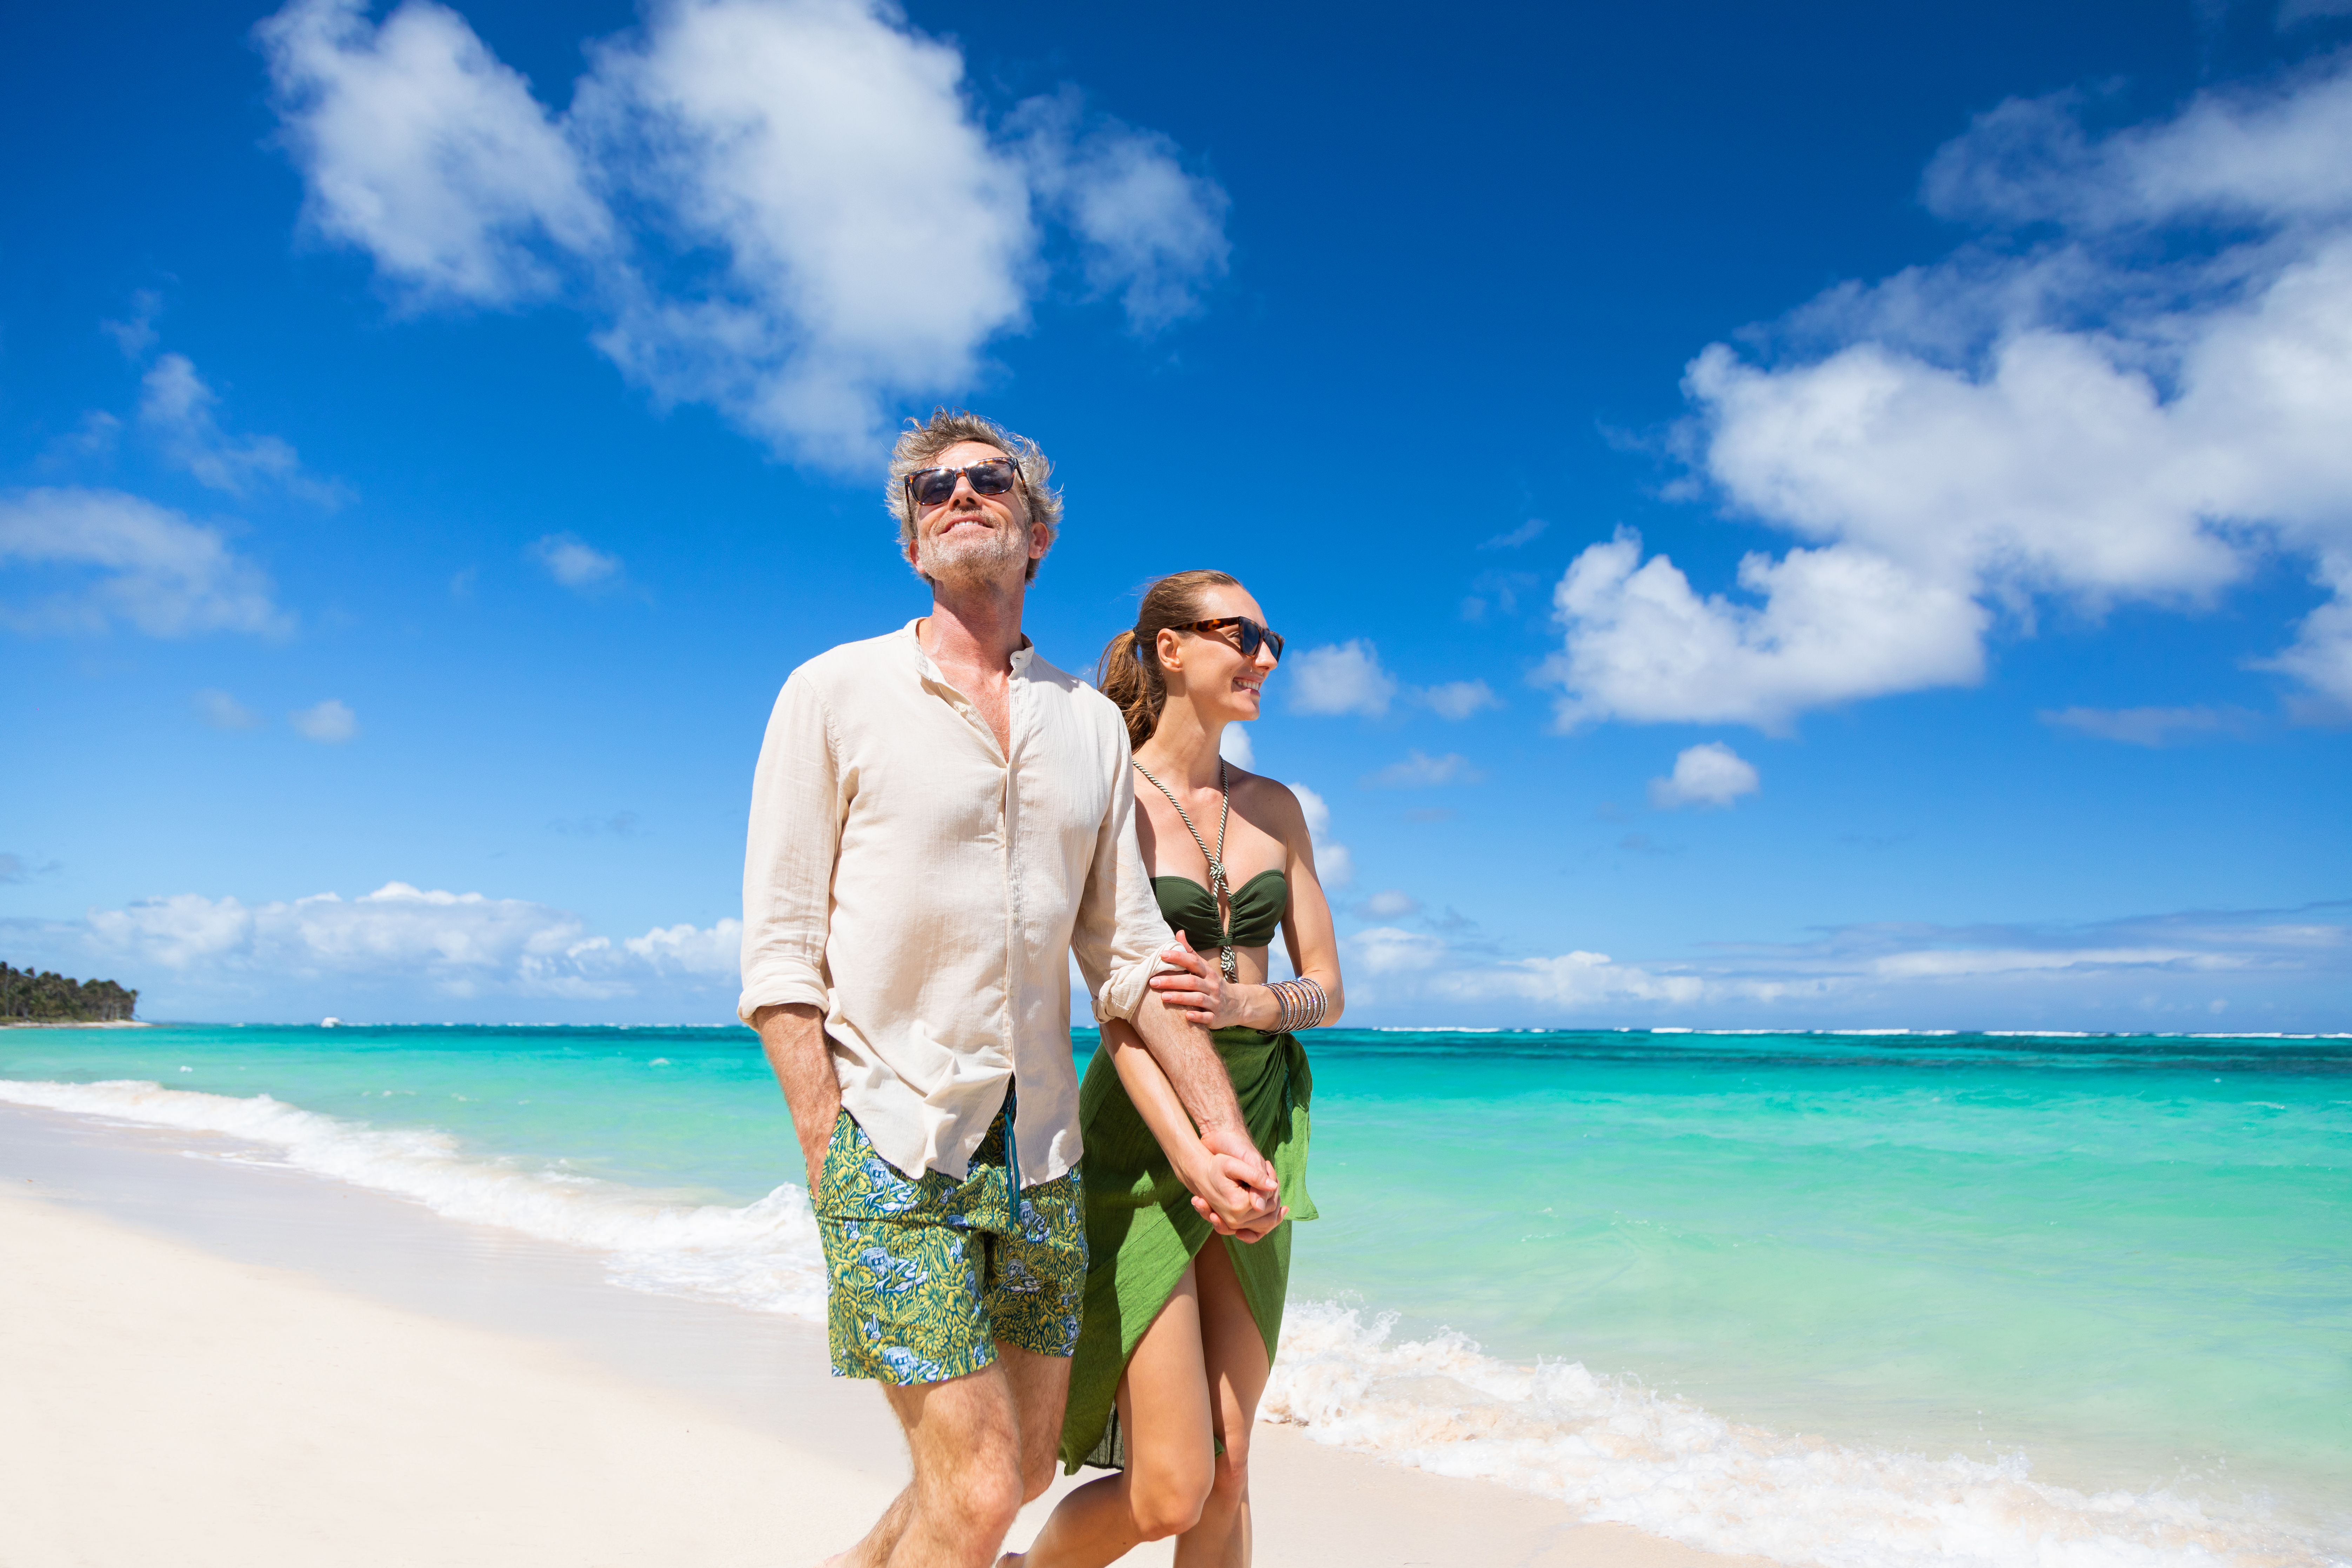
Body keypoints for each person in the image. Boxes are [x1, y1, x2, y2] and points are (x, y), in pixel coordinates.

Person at [739, 415, 1284, 1568]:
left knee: (1017, 1474)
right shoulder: (831, 692)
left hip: (1042, 1154)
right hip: (889, 1139)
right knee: (983, 1491)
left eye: (989, 480)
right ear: (911, 545)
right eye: (932, 488)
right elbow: (782, 957)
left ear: (1037, 534)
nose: (959, 494)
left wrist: (1222, 1131)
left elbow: (1128, 956)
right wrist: (827, 1148)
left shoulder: (1086, 725)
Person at [1010, 571, 1344, 1568]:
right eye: (1243, 635)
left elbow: (1328, 990)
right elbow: (1118, 1012)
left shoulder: (1277, 807)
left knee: (1231, 1468)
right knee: (1169, 1485)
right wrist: (1193, 1151)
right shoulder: (1109, 797)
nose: (1266, 658)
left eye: (1273, 639)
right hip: (1142, 1131)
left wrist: (1249, 1004)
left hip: (1263, 1119)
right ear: (1170, 648)